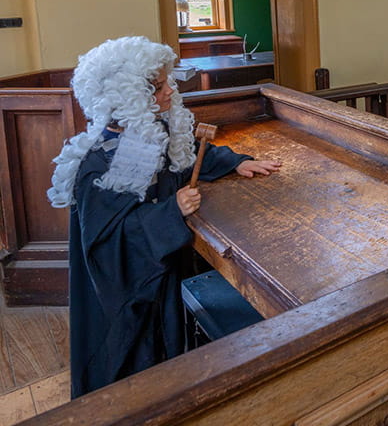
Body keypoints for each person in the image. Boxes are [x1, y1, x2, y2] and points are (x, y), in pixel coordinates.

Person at [47, 36, 282, 398]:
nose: (170, 92)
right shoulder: (100, 166)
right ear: (127, 98)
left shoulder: (152, 133)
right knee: (135, 384)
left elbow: (185, 159)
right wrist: (171, 211)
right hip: (126, 304)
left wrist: (238, 161)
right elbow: (110, 248)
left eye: (166, 83)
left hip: (162, 280)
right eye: (158, 88)